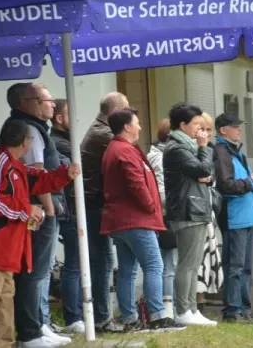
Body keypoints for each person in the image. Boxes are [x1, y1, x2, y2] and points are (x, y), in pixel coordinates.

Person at [0, 119, 79, 348]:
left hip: (5, 249)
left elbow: (39, 179)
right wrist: (26, 210)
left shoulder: (13, 164)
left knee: (3, 305)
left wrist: (65, 174)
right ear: (25, 142)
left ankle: (1, 344)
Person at [101, 108, 185, 332]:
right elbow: (135, 182)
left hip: (122, 220)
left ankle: (129, 317)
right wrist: (150, 206)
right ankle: (158, 316)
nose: (139, 127)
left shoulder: (116, 148)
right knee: (154, 265)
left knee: (128, 270)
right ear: (127, 127)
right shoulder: (124, 150)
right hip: (135, 219)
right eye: (136, 123)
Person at [1, 83, 70, 346]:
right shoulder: (28, 129)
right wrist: (50, 210)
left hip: (38, 208)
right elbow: (36, 171)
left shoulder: (35, 128)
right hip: (37, 210)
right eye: (45, 100)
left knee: (40, 271)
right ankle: (30, 333)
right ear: (25, 103)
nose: (52, 104)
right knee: (35, 272)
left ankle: (40, 325)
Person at [163, 103, 217, 326]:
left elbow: (207, 174)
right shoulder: (177, 148)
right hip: (187, 210)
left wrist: (206, 173)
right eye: (196, 124)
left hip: (196, 208)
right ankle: (183, 309)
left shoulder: (188, 147)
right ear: (183, 125)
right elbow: (203, 169)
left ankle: (192, 309)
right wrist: (204, 148)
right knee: (187, 263)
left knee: (194, 264)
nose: (200, 129)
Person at [80, 92, 129, 333]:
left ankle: (102, 315)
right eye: (126, 111)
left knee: (103, 259)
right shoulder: (105, 134)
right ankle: (101, 317)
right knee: (103, 260)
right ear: (115, 111)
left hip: (94, 202)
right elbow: (126, 155)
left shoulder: (100, 130)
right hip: (94, 204)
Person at [213, 113, 253, 323]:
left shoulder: (234, 151)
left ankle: (243, 307)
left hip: (246, 216)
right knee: (235, 266)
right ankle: (233, 310)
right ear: (223, 130)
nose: (239, 129)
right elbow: (225, 185)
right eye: (235, 126)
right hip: (235, 216)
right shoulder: (221, 152)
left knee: (245, 267)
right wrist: (251, 183)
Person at [49, 99, 84, 334]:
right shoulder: (59, 144)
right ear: (59, 118)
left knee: (76, 264)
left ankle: (77, 314)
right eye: (72, 115)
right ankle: (73, 317)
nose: (77, 120)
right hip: (67, 210)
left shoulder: (64, 142)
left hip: (71, 208)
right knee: (73, 265)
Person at [147, 118, 178, 318]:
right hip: (165, 214)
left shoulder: (155, 153)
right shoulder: (161, 156)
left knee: (166, 264)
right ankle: (167, 308)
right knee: (166, 265)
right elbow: (162, 187)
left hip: (163, 213)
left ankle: (168, 307)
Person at [196, 112, 224, 312]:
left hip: (208, 207)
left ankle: (202, 298)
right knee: (197, 258)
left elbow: (212, 176)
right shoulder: (193, 149)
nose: (206, 134)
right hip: (196, 209)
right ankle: (196, 301)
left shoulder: (211, 149)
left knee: (208, 257)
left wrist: (210, 179)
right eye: (202, 129)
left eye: (209, 130)